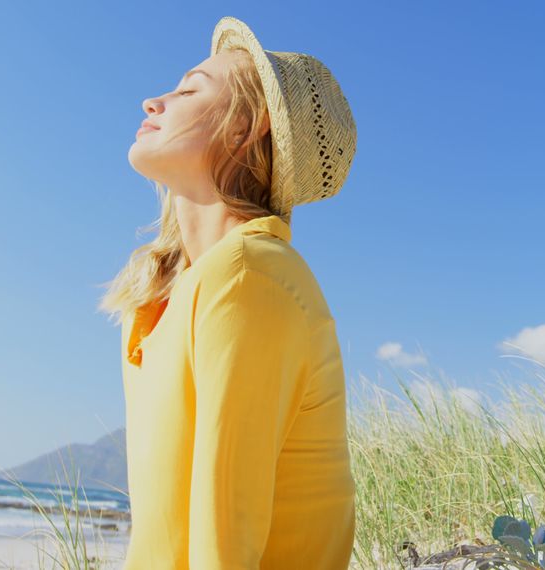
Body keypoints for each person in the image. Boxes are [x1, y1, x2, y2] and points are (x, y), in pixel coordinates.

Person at [97, 16, 359, 570]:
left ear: (245, 126)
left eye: (190, 89)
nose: (153, 101)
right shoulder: (168, 292)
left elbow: (224, 544)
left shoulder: (249, 275)